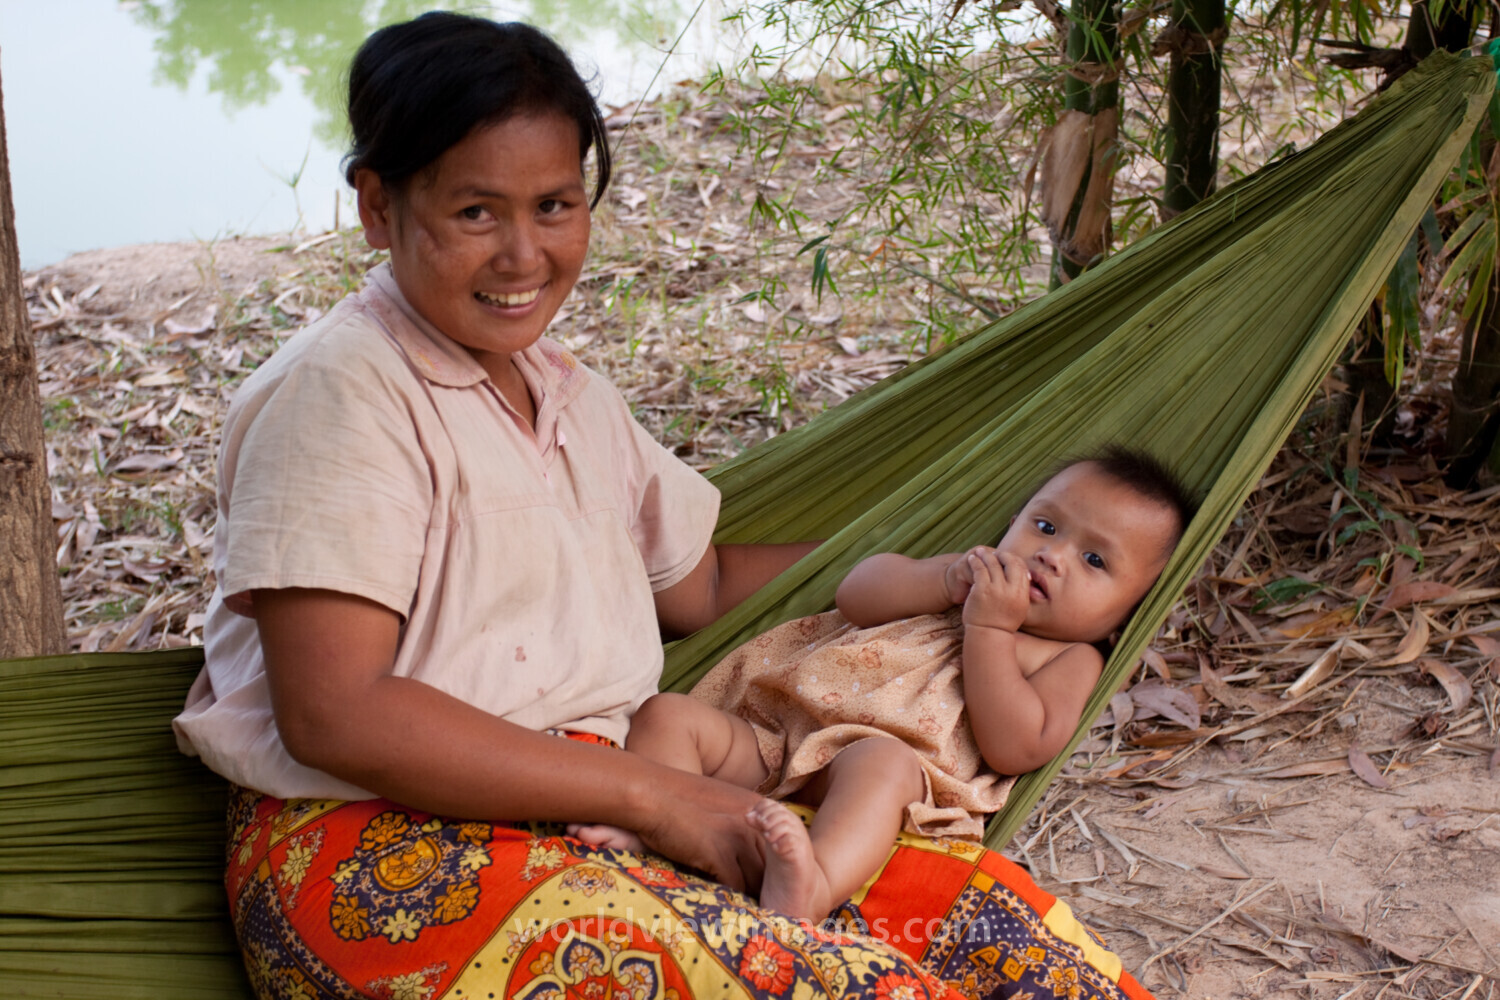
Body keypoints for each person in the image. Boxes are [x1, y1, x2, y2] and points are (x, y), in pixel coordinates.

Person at [171, 14, 1168, 1000]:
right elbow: (335, 714)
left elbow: (704, 583)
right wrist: (656, 796)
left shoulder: (568, 395)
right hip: (385, 847)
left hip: (601, 808)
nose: (523, 254)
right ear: (378, 206)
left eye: (555, 205)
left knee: (1027, 961)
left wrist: (931, 557)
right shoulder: (341, 393)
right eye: (476, 212)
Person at [573, 450, 1197, 921]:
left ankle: (813, 883)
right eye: (1046, 526)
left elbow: (1017, 746)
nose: (1052, 556)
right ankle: (660, 824)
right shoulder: (957, 576)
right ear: (1013, 523)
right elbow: (857, 594)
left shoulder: (1071, 657)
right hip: (771, 739)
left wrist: (989, 629)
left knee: (880, 762)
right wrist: (945, 582)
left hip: (876, 780)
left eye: (1095, 560)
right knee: (667, 715)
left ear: (1127, 615)